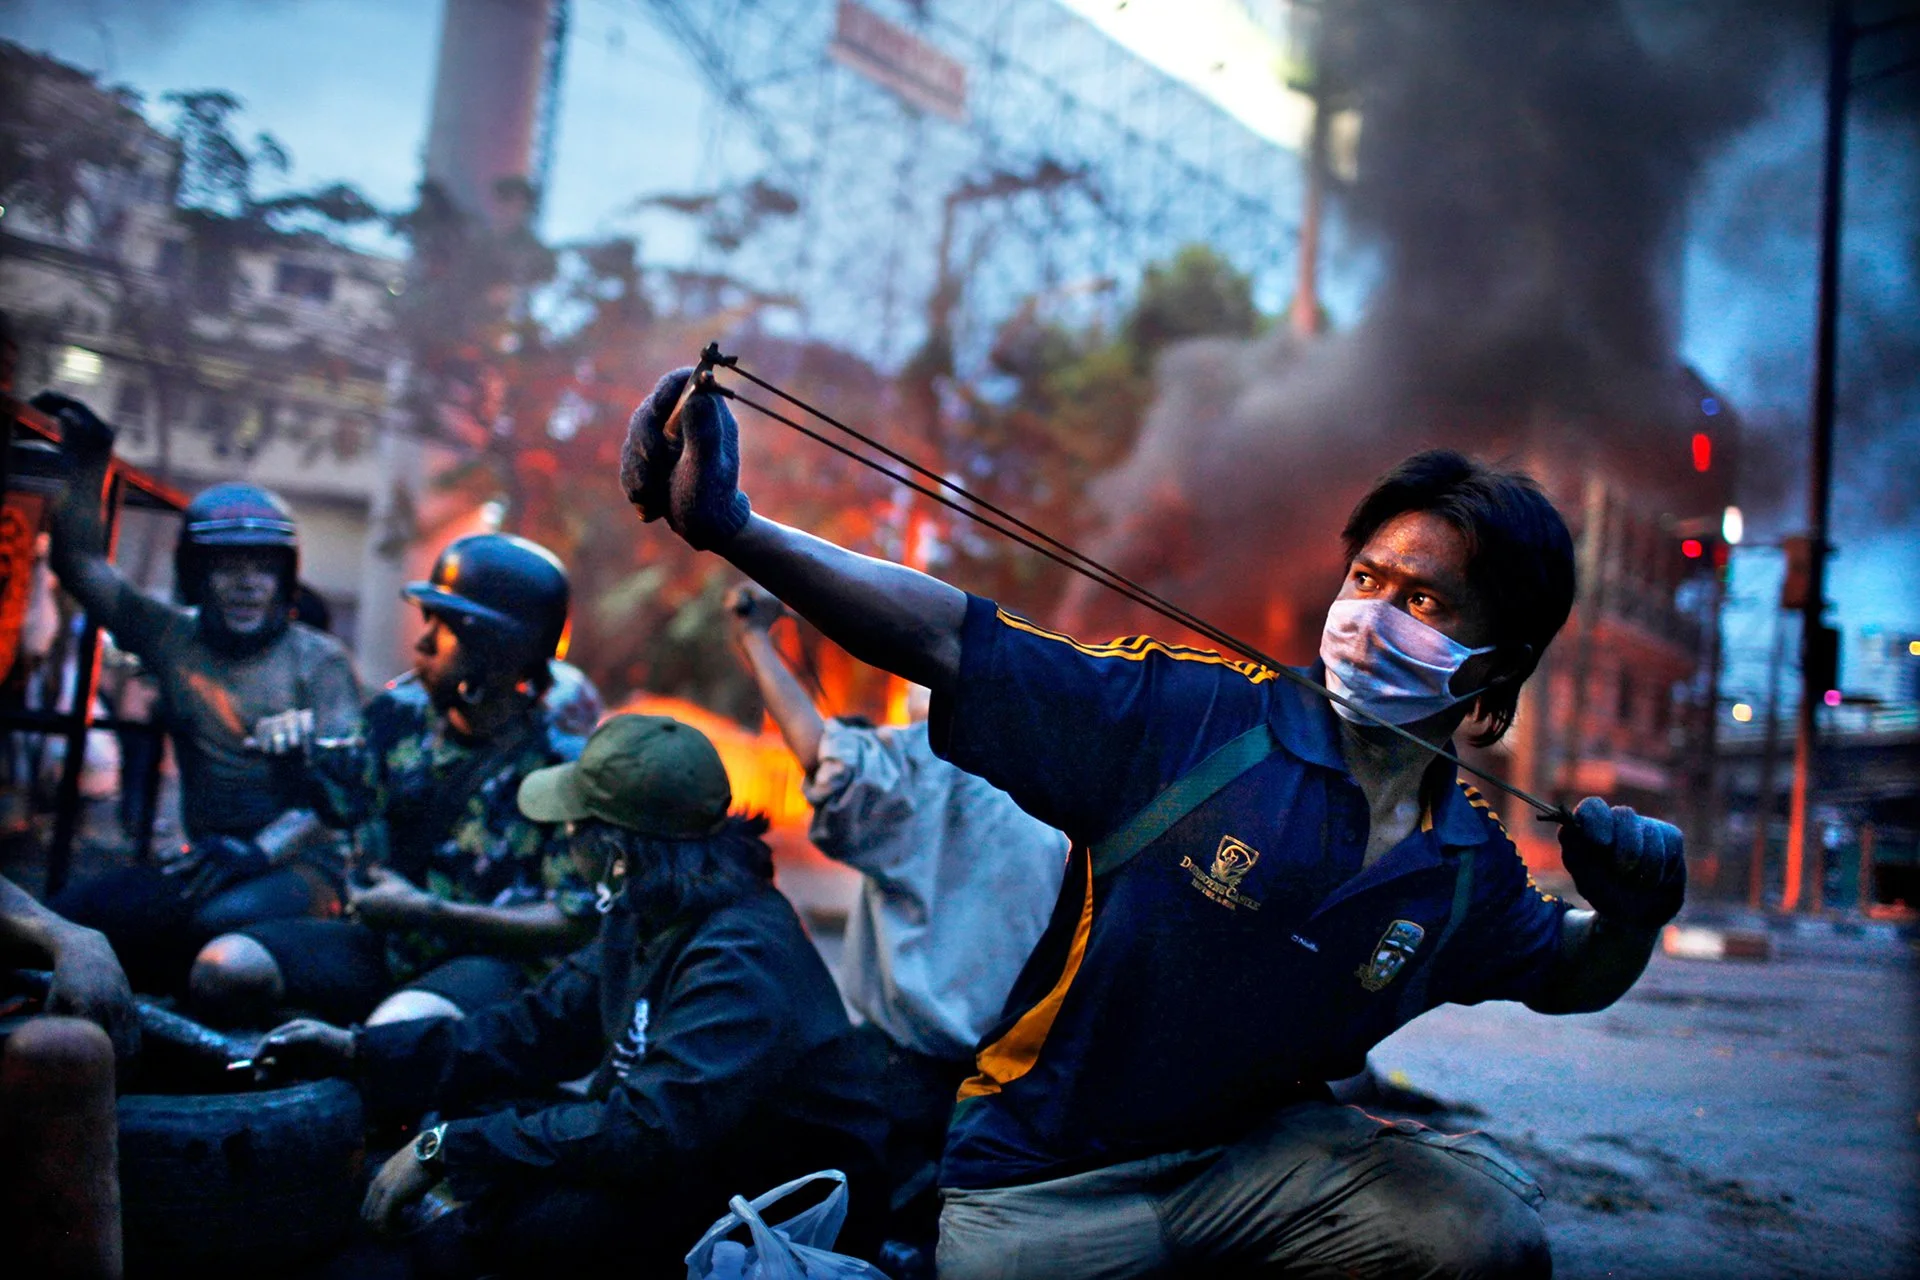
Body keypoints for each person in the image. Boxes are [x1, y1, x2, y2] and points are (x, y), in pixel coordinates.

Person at [621, 371, 1689, 1279]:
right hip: (1047, 1183)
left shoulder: (1465, 865)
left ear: (1493, 677)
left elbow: (1566, 969)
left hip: (1252, 1165)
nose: (1368, 612)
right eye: (1365, 576)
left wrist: (1636, 913)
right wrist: (736, 528)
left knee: (1483, 1233)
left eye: (1422, 601)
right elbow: (951, 637)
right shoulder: (1199, 719)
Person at [259, 713, 889, 1277]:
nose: (561, 830)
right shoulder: (646, 906)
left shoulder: (739, 958)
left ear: (613, 849)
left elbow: (648, 1131)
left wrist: (450, 1148)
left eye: (573, 820)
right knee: (494, 1133)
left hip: (778, 1212)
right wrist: (358, 1051)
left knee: (513, 1232)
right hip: (695, 1155)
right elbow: (533, 1029)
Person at [726, 582, 1065, 1251]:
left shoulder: (935, 770)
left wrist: (753, 639)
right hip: (1027, 1082)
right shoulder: (1066, 776)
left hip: (907, 1075)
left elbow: (823, 756)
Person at [190, 534, 602, 1027]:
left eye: (445, 627)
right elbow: (339, 809)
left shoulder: (567, 768)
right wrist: (291, 757)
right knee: (225, 968)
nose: (422, 642)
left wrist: (428, 912)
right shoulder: (395, 717)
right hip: (387, 945)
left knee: (398, 1032)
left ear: (501, 651)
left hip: (493, 966)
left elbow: (572, 922)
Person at [37, 392, 365, 994]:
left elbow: (345, 798)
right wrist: (88, 465)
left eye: (261, 567)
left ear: (284, 577)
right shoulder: (172, 638)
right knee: (67, 922)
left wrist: (260, 850)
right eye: (227, 566)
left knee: (212, 926)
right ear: (196, 576)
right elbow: (79, 563)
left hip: (303, 869)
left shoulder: (318, 660)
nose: (246, 584)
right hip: (206, 861)